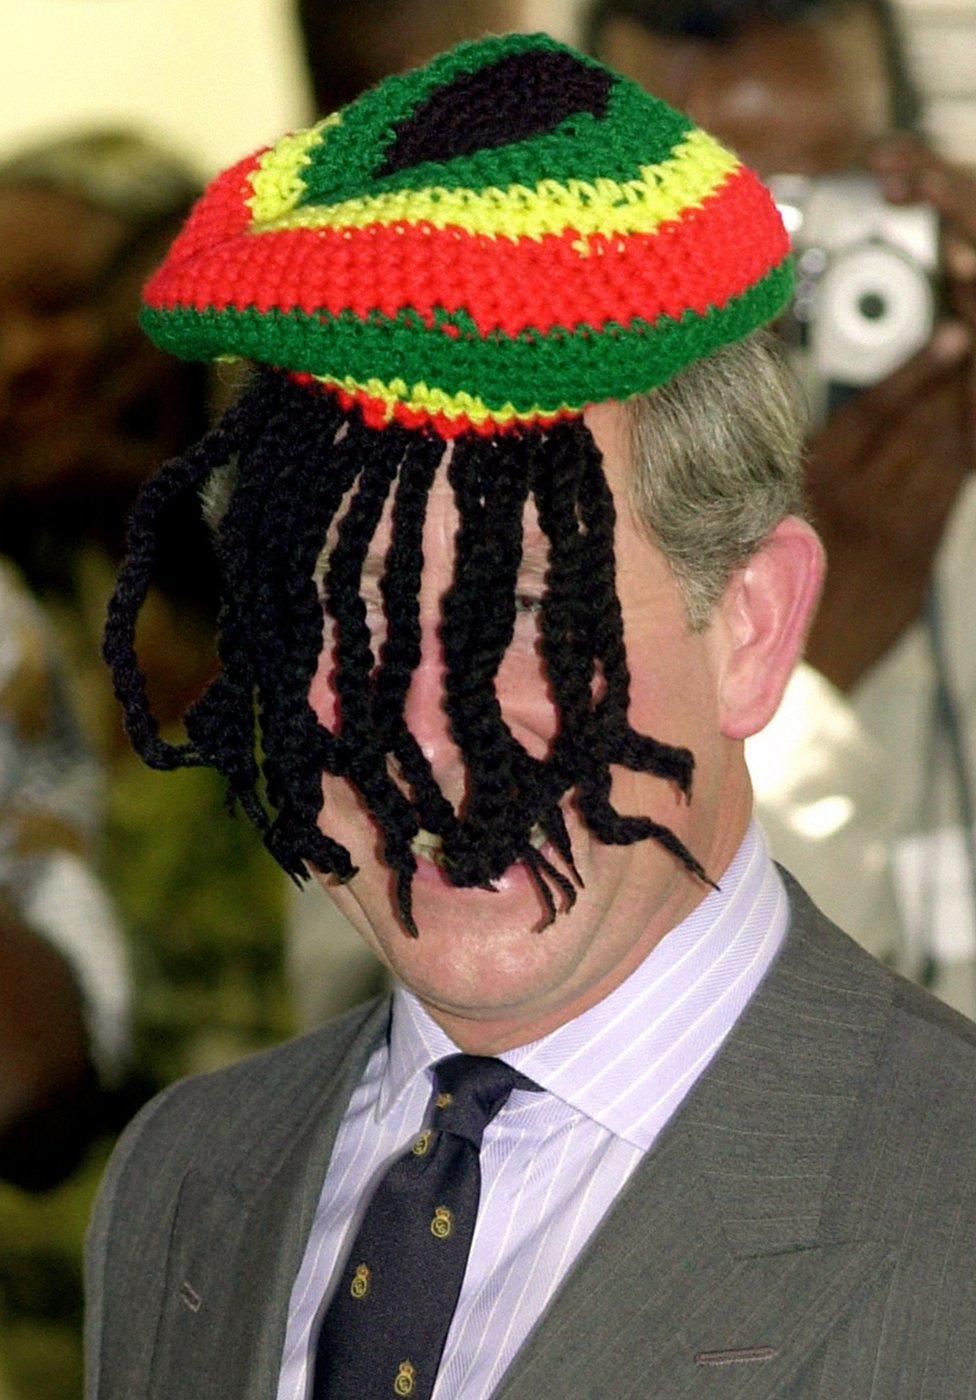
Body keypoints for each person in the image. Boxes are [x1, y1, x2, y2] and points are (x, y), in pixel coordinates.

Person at [86, 35, 976, 1397]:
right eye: (355, 615)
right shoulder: (181, 1181)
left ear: (750, 628)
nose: (432, 736)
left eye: (530, 615)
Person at [587, 0, 976, 1012]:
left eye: (809, 213)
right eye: (688, 232)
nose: (764, 302)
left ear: (914, 189)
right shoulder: (461, 548)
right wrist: (801, 673)